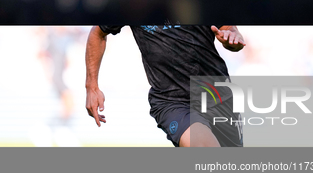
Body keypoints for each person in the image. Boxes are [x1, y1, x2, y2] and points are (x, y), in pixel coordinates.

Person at [85, 25, 245, 147]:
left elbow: (228, 29)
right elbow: (98, 32)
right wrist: (91, 87)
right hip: (171, 101)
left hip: (216, 95)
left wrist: (232, 37)